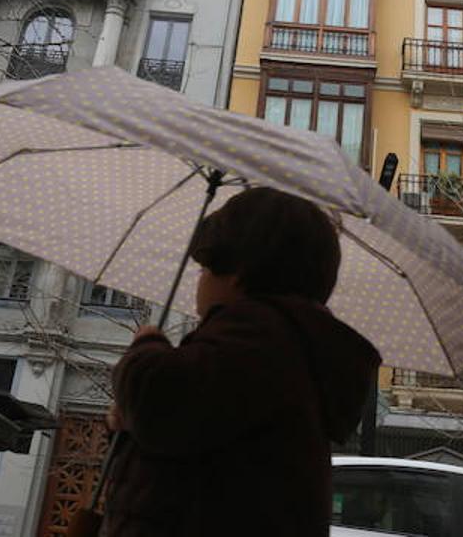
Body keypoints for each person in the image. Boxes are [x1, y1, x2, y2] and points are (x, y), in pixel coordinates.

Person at [101, 187, 381, 537]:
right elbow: (189, 443)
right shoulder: (286, 348)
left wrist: (146, 345)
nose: (199, 280)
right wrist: (128, 423)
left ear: (236, 270)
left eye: (204, 268)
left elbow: (160, 399)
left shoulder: (261, 338)